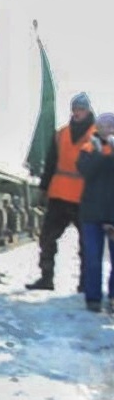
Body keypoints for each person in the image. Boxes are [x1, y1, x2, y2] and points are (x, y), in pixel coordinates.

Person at [27, 92, 96, 291]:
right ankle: (46, 278)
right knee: (47, 238)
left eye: (81, 109)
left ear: (88, 111)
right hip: (59, 195)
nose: (77, 112)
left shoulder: (97, 135)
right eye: (75, 109)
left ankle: (85, 283)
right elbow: (50, 164)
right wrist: (43, 189)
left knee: (87, 244)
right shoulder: (61, 134)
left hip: (85, 199)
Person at [77, 112, 114, 313]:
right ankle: (93, 298)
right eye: (104, 125)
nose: (108, 128)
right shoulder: (89, 148)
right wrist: (101, 153)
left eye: (111, 125)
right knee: (92, 258)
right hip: (92, 213)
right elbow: (85, 171)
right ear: (97, 128)